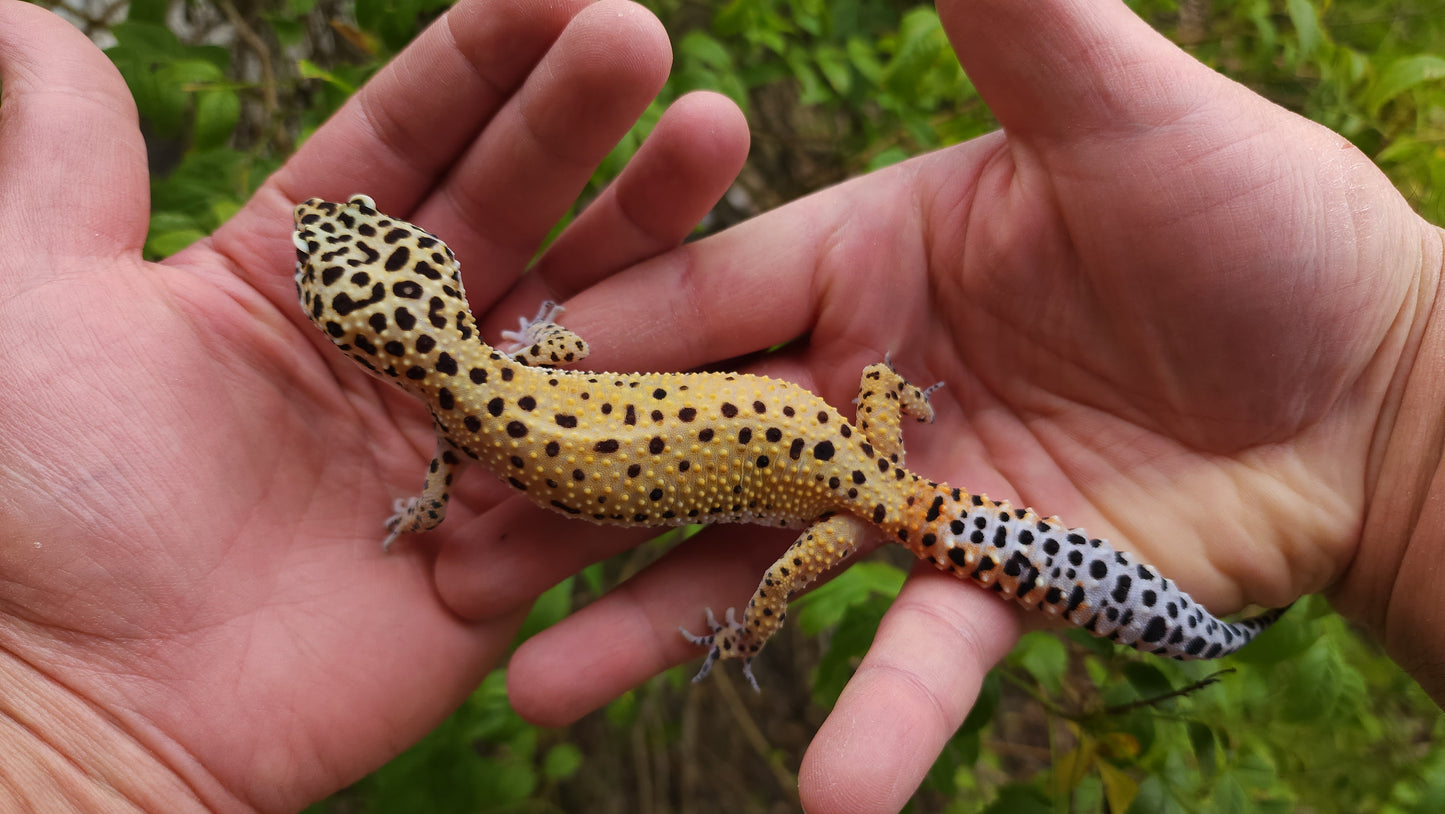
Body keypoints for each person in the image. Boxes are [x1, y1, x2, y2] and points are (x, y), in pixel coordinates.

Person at [0, 0, 1439, 810]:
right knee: (861, 522)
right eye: (345, 259)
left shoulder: (478, 408)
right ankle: (1161, 611)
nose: (336, 239)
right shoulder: (500, 383)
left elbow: (458, 462)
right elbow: (479, 436)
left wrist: (752, 614)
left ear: (407, 316)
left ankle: (810, 613)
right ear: (425, 290)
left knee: (773, 581)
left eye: (352, 249)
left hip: (852, 494)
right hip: (852, 446)